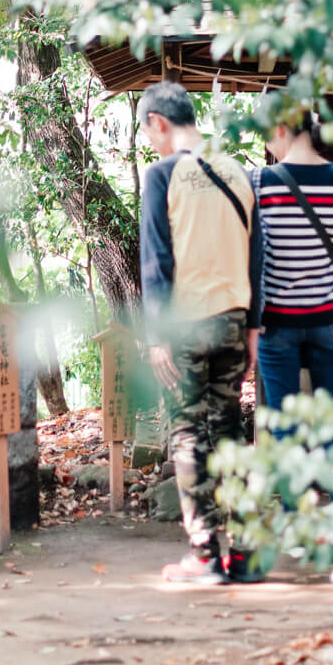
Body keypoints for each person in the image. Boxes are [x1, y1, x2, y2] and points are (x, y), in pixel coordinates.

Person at [135, 81, 261, 585]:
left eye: (147, 132)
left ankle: (205, 554)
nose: (149, 142)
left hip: (185, 323)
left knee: (188, 432)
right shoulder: (238, 172)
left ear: (158, 122)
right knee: (229, 430)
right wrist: (254, 329)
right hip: (233, 320)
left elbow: (155, 260)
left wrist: (156, 335)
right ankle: (246, 554)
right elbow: (257, 254)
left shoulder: (162, 175)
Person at [249, 109, 333, 432]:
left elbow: (255, 254)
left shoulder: (260, 182)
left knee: (285, 427)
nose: (267, 145)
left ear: (280, 129)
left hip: (278, 320)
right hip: (331, 316)